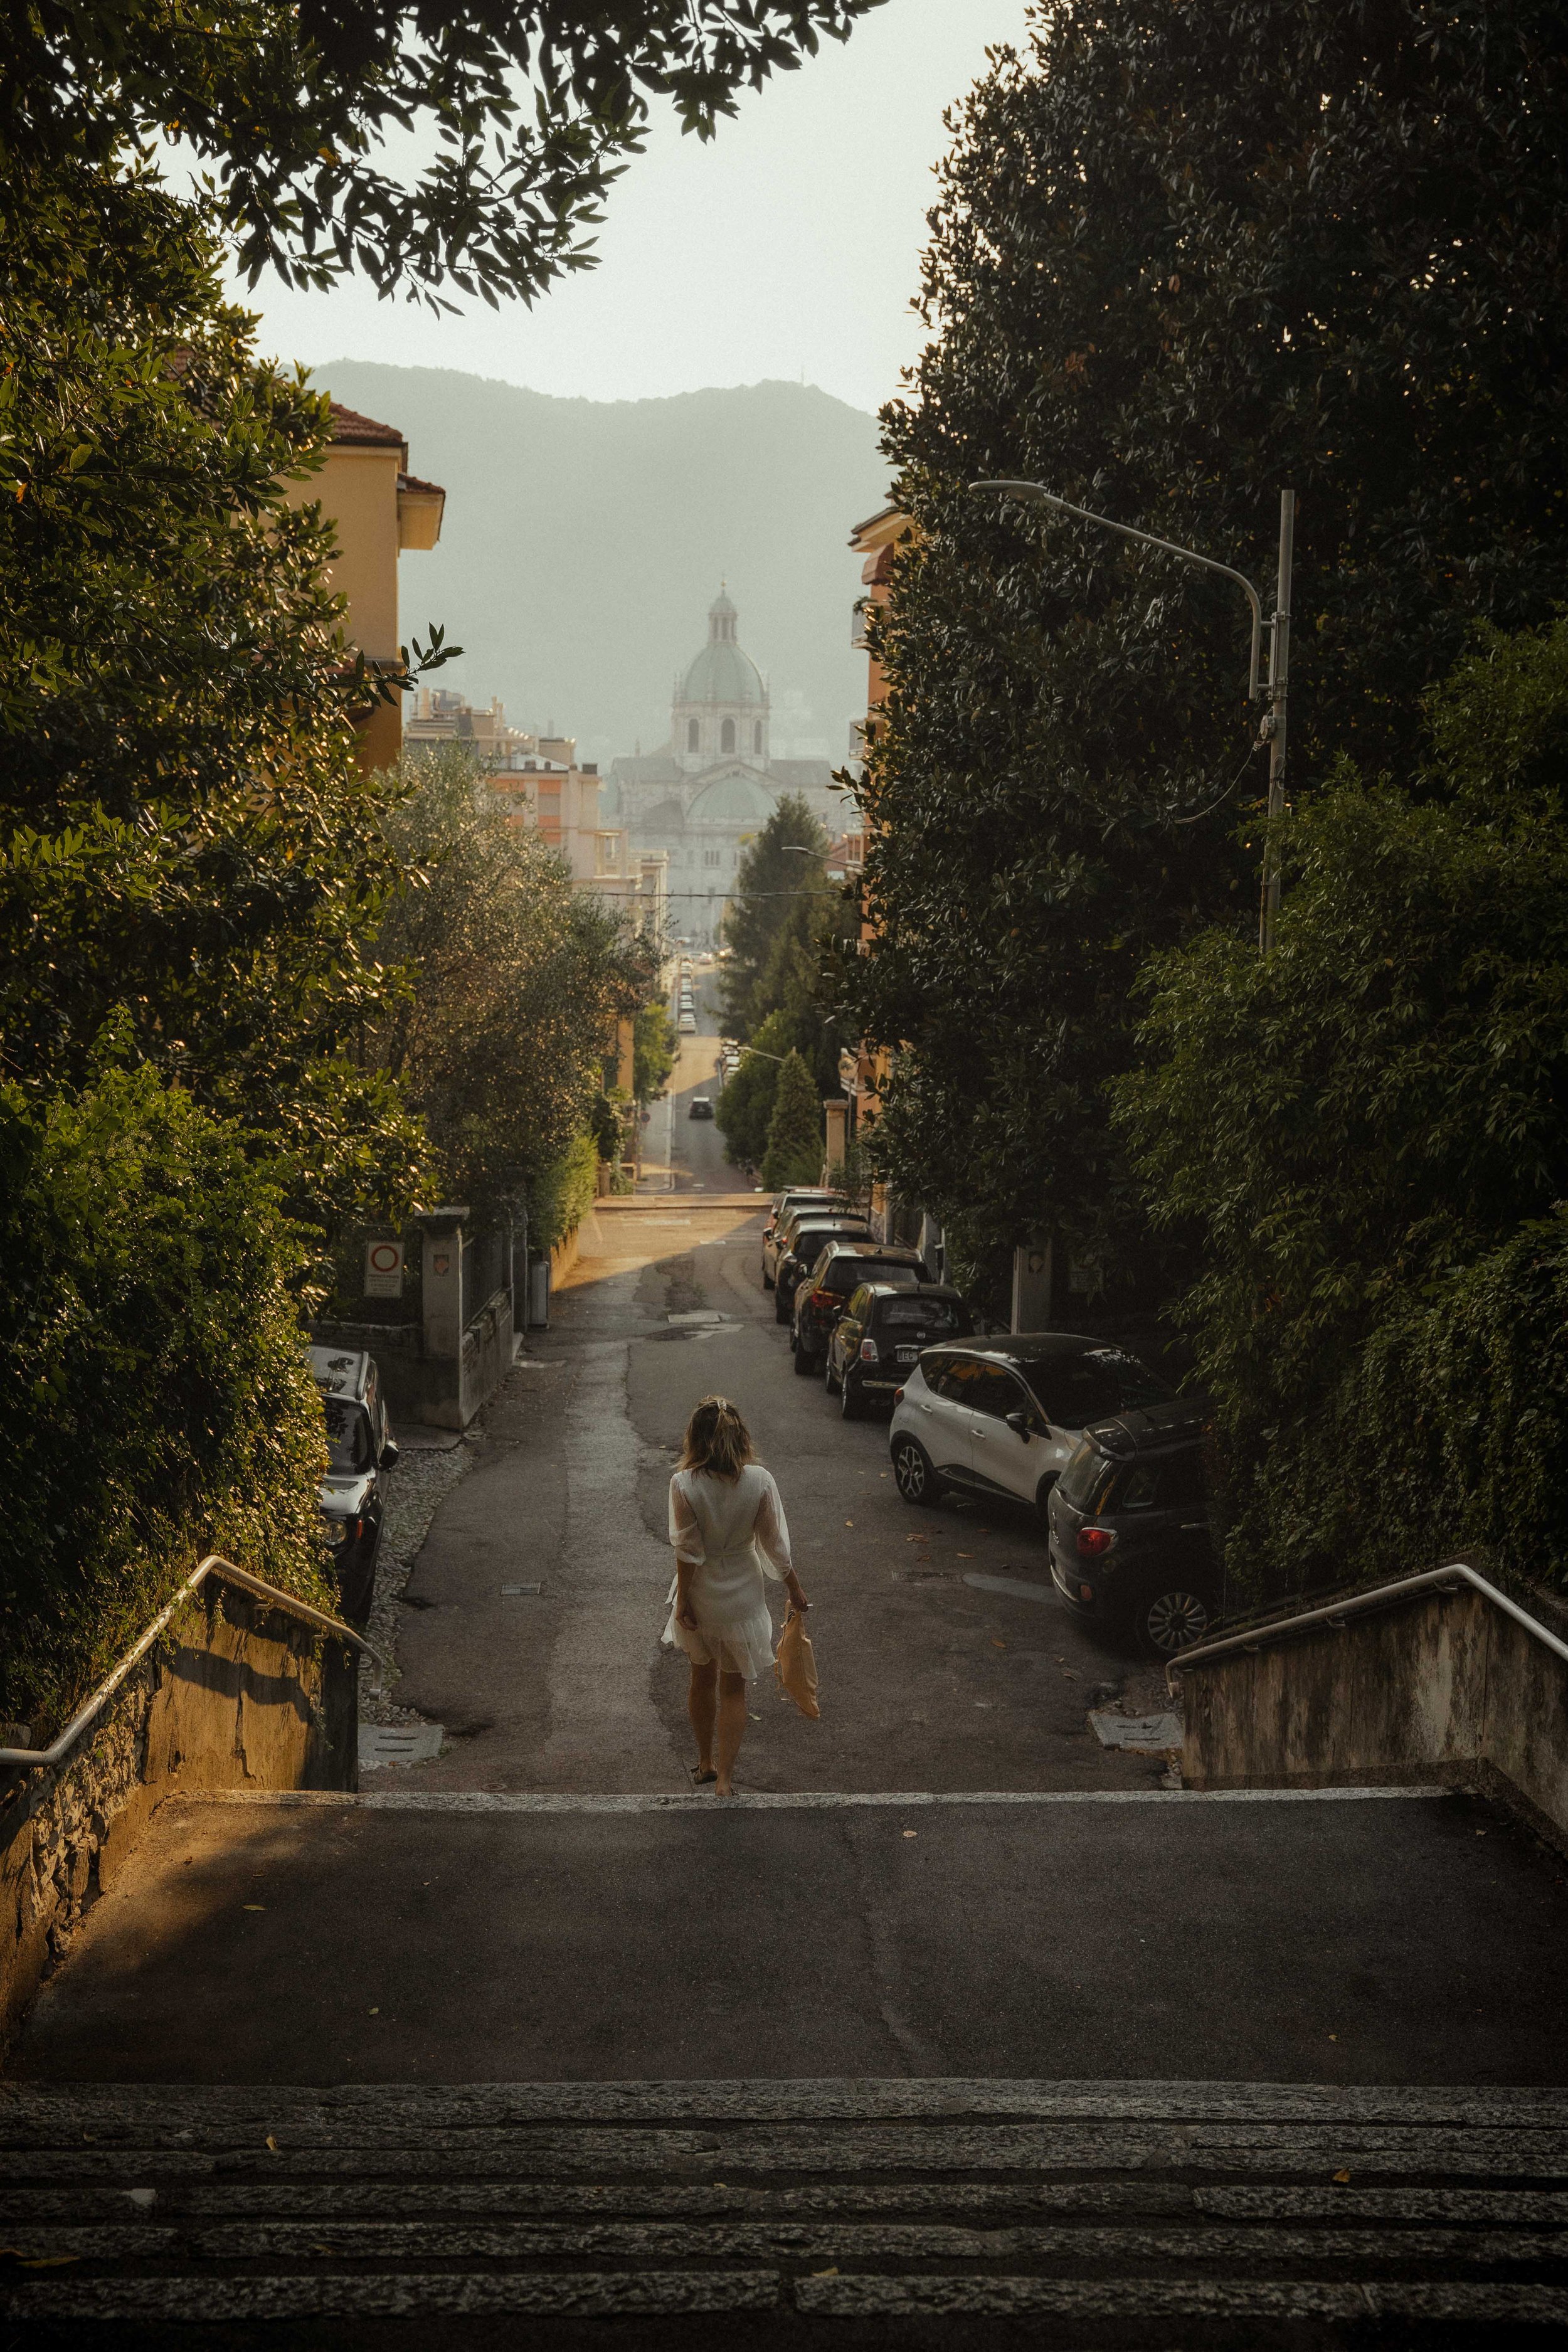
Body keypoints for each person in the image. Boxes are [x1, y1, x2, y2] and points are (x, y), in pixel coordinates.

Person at [664, 1394, 809, 1796]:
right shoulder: (760, 1481)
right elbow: (774, 1545)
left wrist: (683, 1601)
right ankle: (725, 1781)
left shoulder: (684, 1485)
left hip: (703, 1591)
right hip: (743, 1593)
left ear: (695, 1438)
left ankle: (706, 1762)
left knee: (700, 1678)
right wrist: (794, 1587)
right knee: (733, 1688)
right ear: (741, 1437)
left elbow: (688, 1551)